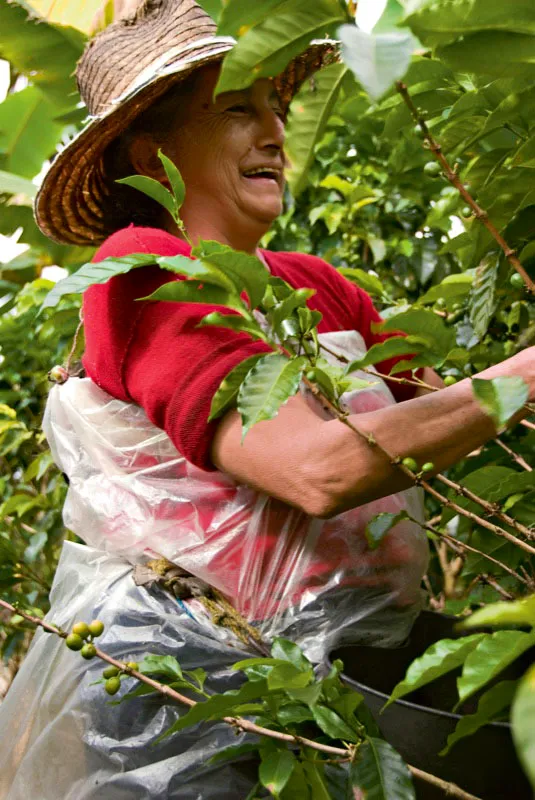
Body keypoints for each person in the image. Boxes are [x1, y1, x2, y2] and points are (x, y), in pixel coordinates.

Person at [1, 1, 534, 798]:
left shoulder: (319, 286)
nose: (275, 132)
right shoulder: (145, 266)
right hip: (189, 677)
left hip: (343, 656)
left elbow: (460, 411)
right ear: (153, 151)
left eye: (276, 110)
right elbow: (314, 471)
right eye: (237, 110)